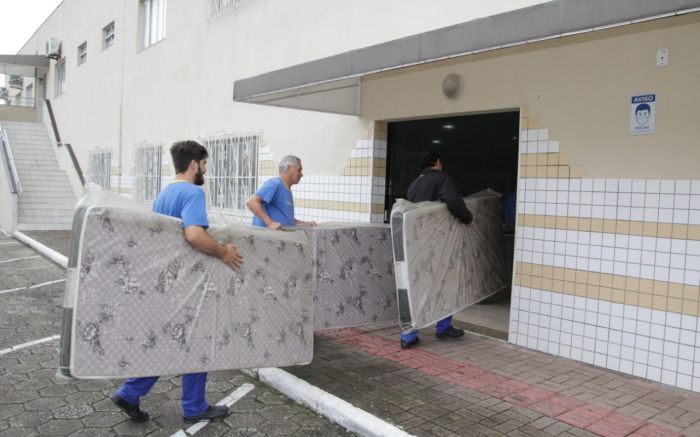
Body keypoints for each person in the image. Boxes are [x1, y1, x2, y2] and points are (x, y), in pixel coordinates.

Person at [111, 140, 243, 424]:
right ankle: (194, 407)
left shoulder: (165, 193)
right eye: (205, 164)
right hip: (186, 284)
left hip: (165, 281)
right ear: (194, 164)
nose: (206, 170)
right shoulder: (193, 192)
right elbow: (193, 235)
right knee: (196, 341)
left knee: (167, 342)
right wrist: (224, 252)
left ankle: (129, 393)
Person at [400, 150, 473, 349]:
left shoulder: (415, 183)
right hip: (439, 242)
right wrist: (467, 218)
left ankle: (409, 335)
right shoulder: (443, 179)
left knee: (418, 286)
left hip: (417, 241)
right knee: (445, 283)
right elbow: (453, 201)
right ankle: (443, 327)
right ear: (438, 162)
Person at [246, 155, 316, 229]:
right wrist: (270, 223)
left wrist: (306, 224)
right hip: (265, 237)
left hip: (279, 238)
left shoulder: (286, 189)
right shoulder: (275, 183)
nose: (301, 174)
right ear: (288, 168)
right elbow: (251, 202)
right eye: (299, 170)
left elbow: (288, 220)